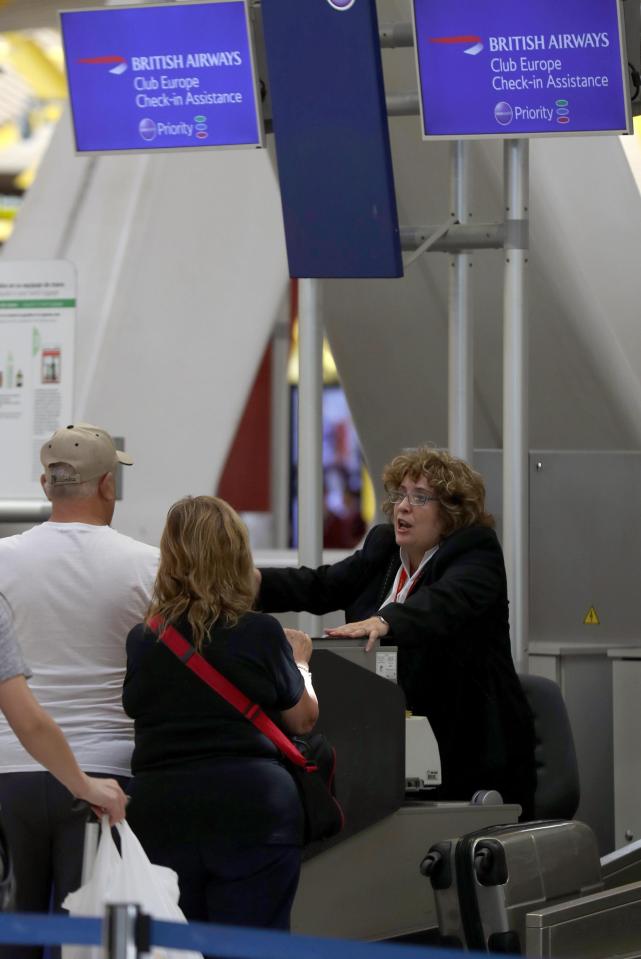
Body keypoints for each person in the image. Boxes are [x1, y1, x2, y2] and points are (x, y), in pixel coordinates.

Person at [257, 446, 536, 817]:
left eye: (420, 498)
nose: (403, 507)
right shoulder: (384, 547)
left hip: (468, 751)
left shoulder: (475, 552)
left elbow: (443, 603)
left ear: (451, 512)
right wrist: (249, 584)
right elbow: (321, 585)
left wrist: (386, 620)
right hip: (384, 744)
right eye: (400, 494)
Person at [123, 496, 318, 933]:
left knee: (179, 947)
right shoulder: (259, 631)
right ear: (237, 555)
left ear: (170, 558)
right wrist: (301, 664)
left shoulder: (144, 639)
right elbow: (302, 719)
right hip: (253, 810)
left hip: (162, 813)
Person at [0, 423, 159, 958]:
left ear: (47, 485)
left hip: (8, 772)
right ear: (107, 485)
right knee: (87, 945)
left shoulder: (2, 561)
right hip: (105, 776)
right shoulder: (149, 566)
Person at [0, 594, 126, 824]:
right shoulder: (145, 566)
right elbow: (29, 723)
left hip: (10, 764)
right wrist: (83, 785)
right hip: (106, 752)